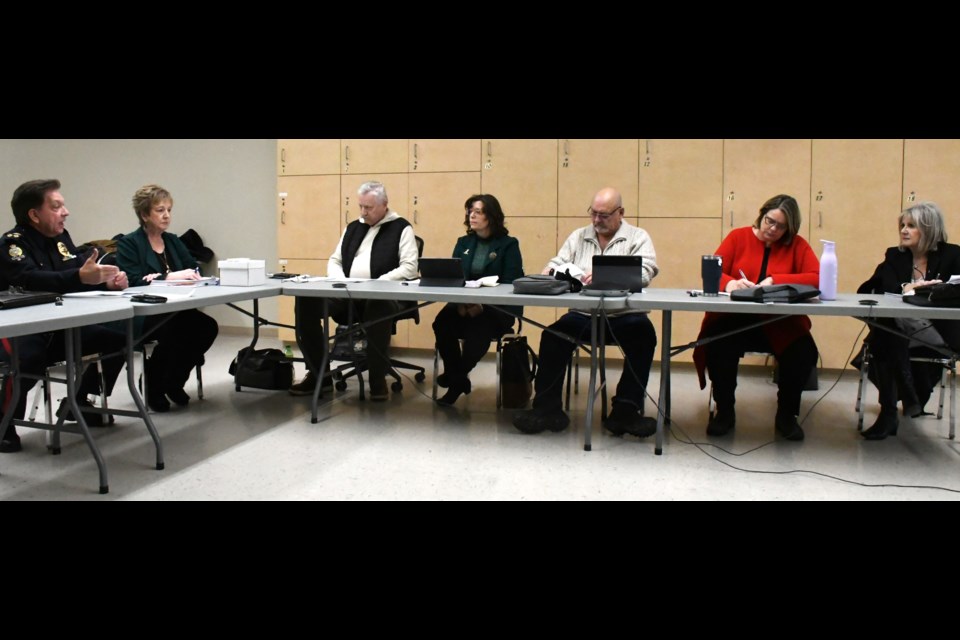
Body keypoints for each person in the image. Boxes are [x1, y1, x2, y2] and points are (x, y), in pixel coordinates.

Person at [512, 187, 659, 437]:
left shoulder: (638, 237)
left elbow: (646, 271)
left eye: (603, 215)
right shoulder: (578, 236)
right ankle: (547, 410)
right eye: (593, 214)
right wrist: (553, 272)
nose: (596, 221)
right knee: (553, 336)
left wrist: (608, 277)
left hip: (624, 315)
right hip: (583, 314)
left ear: (620, 213)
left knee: (644, 337)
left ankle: (625, 411)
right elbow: (555, 263)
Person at [0, 179, 128, 453]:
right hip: (24, 327)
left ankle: (78, 402)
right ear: (34, 215)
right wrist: (79, 276)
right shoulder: (13, 244)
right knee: (28, 360)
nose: (66, 211)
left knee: (119, 341)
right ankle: (4, 424)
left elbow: (71, 275)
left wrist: (105, 281)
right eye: (56, 206)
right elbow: (29, 280)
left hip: (61, 324)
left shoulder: (60, 239)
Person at [693, 194, 820, 441]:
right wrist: (730, 284)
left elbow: (817, 278)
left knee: (803, 351)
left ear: (790, 228)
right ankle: (725, 410)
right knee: (717, 343)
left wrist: (776, 280)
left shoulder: (797, 245)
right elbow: (713, 272)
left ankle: (786, 414)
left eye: (781, 226)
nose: (772, 229)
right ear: (762, 214)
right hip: (734, 320)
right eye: (769, 221)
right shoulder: (737, 237)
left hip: (779, 323)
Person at [290, 181, 418, 401]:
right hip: (348, 293)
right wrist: (340, 280)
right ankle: (319, 374)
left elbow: (409, 267)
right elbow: (335, 259)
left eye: (368, 207)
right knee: (306, 302)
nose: (363, 212)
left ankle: (377, 380)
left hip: (383, 294)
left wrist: (378, 283)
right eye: (361, 206)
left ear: (384, 205)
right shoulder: (353, 227)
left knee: (378, 306)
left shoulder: (401, 228)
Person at [856, 202, 960, 440]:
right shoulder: (895, 255)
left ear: (928, 228)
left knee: (883, 335)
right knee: (886, 331)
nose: (904, 230)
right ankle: (894, 409)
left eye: (911, 226)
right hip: (901, 331)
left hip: (939, 331)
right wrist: (910, 287)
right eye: (902, 225)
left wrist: (932, 289)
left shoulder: (953, 254)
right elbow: (884, 287)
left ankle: (892, 412)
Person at [116, 184, 219, 412]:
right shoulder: (129, 243)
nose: (167, 216)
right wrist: (168, 276)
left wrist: (187, 275)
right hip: (145, 312)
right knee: (174, 330)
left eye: (169, 210)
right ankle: (154, 385)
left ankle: (173, 382)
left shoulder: (172, 240)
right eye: (160, 210)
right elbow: (131, 280)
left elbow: (192, 267)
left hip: (176, 307)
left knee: (207, 327)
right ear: (144, 215)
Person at [432, 194, 523, 406]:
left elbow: (511, 282)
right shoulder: (463, 242)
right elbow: (456, 277)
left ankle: (456, 378)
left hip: (496, 309)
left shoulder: (508, 245)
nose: (472, 215)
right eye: (470, 211)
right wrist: (464, 305)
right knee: (442, 323)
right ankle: (458, 377)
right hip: (463, 304)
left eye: (478, 211)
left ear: (491, 216)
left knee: (478, 330)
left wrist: (481, 305)